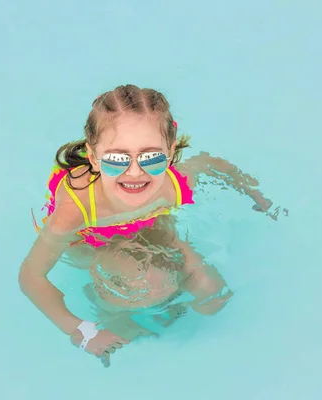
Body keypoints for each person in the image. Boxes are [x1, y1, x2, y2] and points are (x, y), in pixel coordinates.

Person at [18, 84, 276, 367]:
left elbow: (211, 164)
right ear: (93, 157)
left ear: (171, 150)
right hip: (91, 236)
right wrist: (81, 331)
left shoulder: (172, 187)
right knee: (140, 287)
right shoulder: (73, 214)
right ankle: (121, 313)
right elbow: (31, 276)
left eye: (151, 157)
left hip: (149, 219)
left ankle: (170, 287)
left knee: (211, 295)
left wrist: (260, 199)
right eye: (117, 159)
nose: (135, 173)